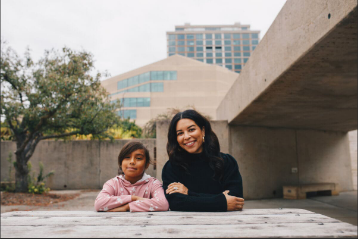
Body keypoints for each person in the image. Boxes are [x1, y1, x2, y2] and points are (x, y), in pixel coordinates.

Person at [162, 109, 244, 212]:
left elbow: (236, 200)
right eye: (180, 133)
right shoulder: (171, 167)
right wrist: (221, 201)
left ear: (203, 130)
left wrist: (189, 193)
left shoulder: (226, 162)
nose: (186, 137)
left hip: (225, 225)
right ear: (176, 139)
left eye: (191, 130)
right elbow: (176, 203)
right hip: (185, 224)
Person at [94, 141, 169, 212]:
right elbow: (99, 204)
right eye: (127, 157)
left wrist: (127, 207)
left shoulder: (153, 184)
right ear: (121, 162)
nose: (132, 161)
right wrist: (133, 198)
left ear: (146, 165)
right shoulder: (113, 183)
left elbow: (163, 204)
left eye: (138, 158)